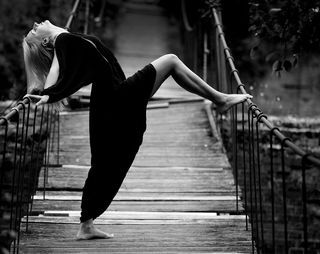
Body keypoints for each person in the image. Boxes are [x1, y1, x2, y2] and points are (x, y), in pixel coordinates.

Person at [22, 20, 252, 240]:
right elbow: (56, 68)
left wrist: (47, 88)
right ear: (44, 43)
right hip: (117, 97)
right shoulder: (62, 40)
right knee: (170, 61)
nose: (34, 25)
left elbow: (59, 63)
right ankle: (220, 99)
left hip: (113, 97)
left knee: (104, 161)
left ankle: (86, 225)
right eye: (33, 32)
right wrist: (48, 94)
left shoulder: (66, 37)